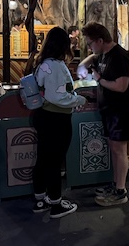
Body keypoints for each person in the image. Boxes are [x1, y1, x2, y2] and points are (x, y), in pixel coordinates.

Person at [79, 22, 129, 207]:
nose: (90, 47)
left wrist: (99, 79)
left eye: (90, 43)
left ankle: (121, 191)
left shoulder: (120, 57)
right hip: (110, 110)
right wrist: (85, 63)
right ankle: (115, 184)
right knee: (114, 148)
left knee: (119, 150)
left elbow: (121, 86)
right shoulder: (104, 54)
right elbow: (91, 58)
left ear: (100, 40)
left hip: (121, 111)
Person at [31, 27, 87, 219]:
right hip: (56, 119)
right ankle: (55, 203)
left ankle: (40, 199)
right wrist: (79, 100)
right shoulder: (56, 66)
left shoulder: (42, 63)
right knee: (54, 161)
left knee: (43, 158)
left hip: (43, 116)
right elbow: (58, 96)